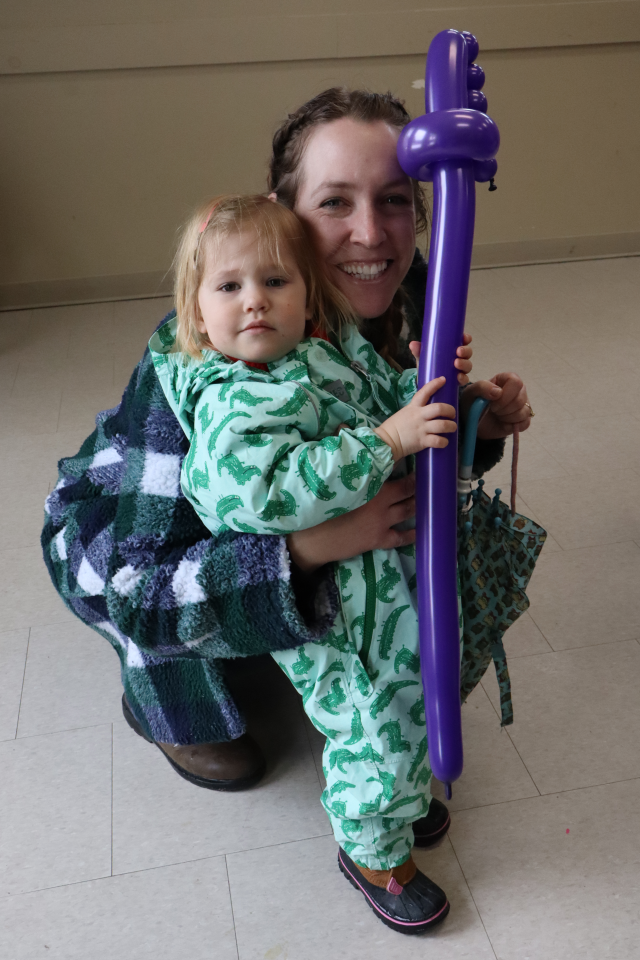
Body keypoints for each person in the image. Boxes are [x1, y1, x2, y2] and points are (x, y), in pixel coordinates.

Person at [42, 89, 531, 804]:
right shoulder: (197, 361)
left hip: (301, 498)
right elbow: (141, 592)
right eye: (335, 203)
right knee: (225, 716)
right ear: (284, 213)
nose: (371, 235)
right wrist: (313, 547)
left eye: (395, 200)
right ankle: (172, 704)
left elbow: (400, 426)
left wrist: (474, 423)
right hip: (133, 547)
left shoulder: (410, 285)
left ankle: (281, 605)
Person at [150, 192, 463, 932]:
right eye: (229, 287)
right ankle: (372, 853)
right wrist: (384, 444)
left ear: (307, 293)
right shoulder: (231, 399)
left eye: (275, 282)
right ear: (197, 314)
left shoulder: (323, 348)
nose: (254, 302)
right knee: (370, 725)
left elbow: (383, 398)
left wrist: (426, 383)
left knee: (409, 703)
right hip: (332, 618)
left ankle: (401, 803)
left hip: (385, 592)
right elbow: (258, 497)